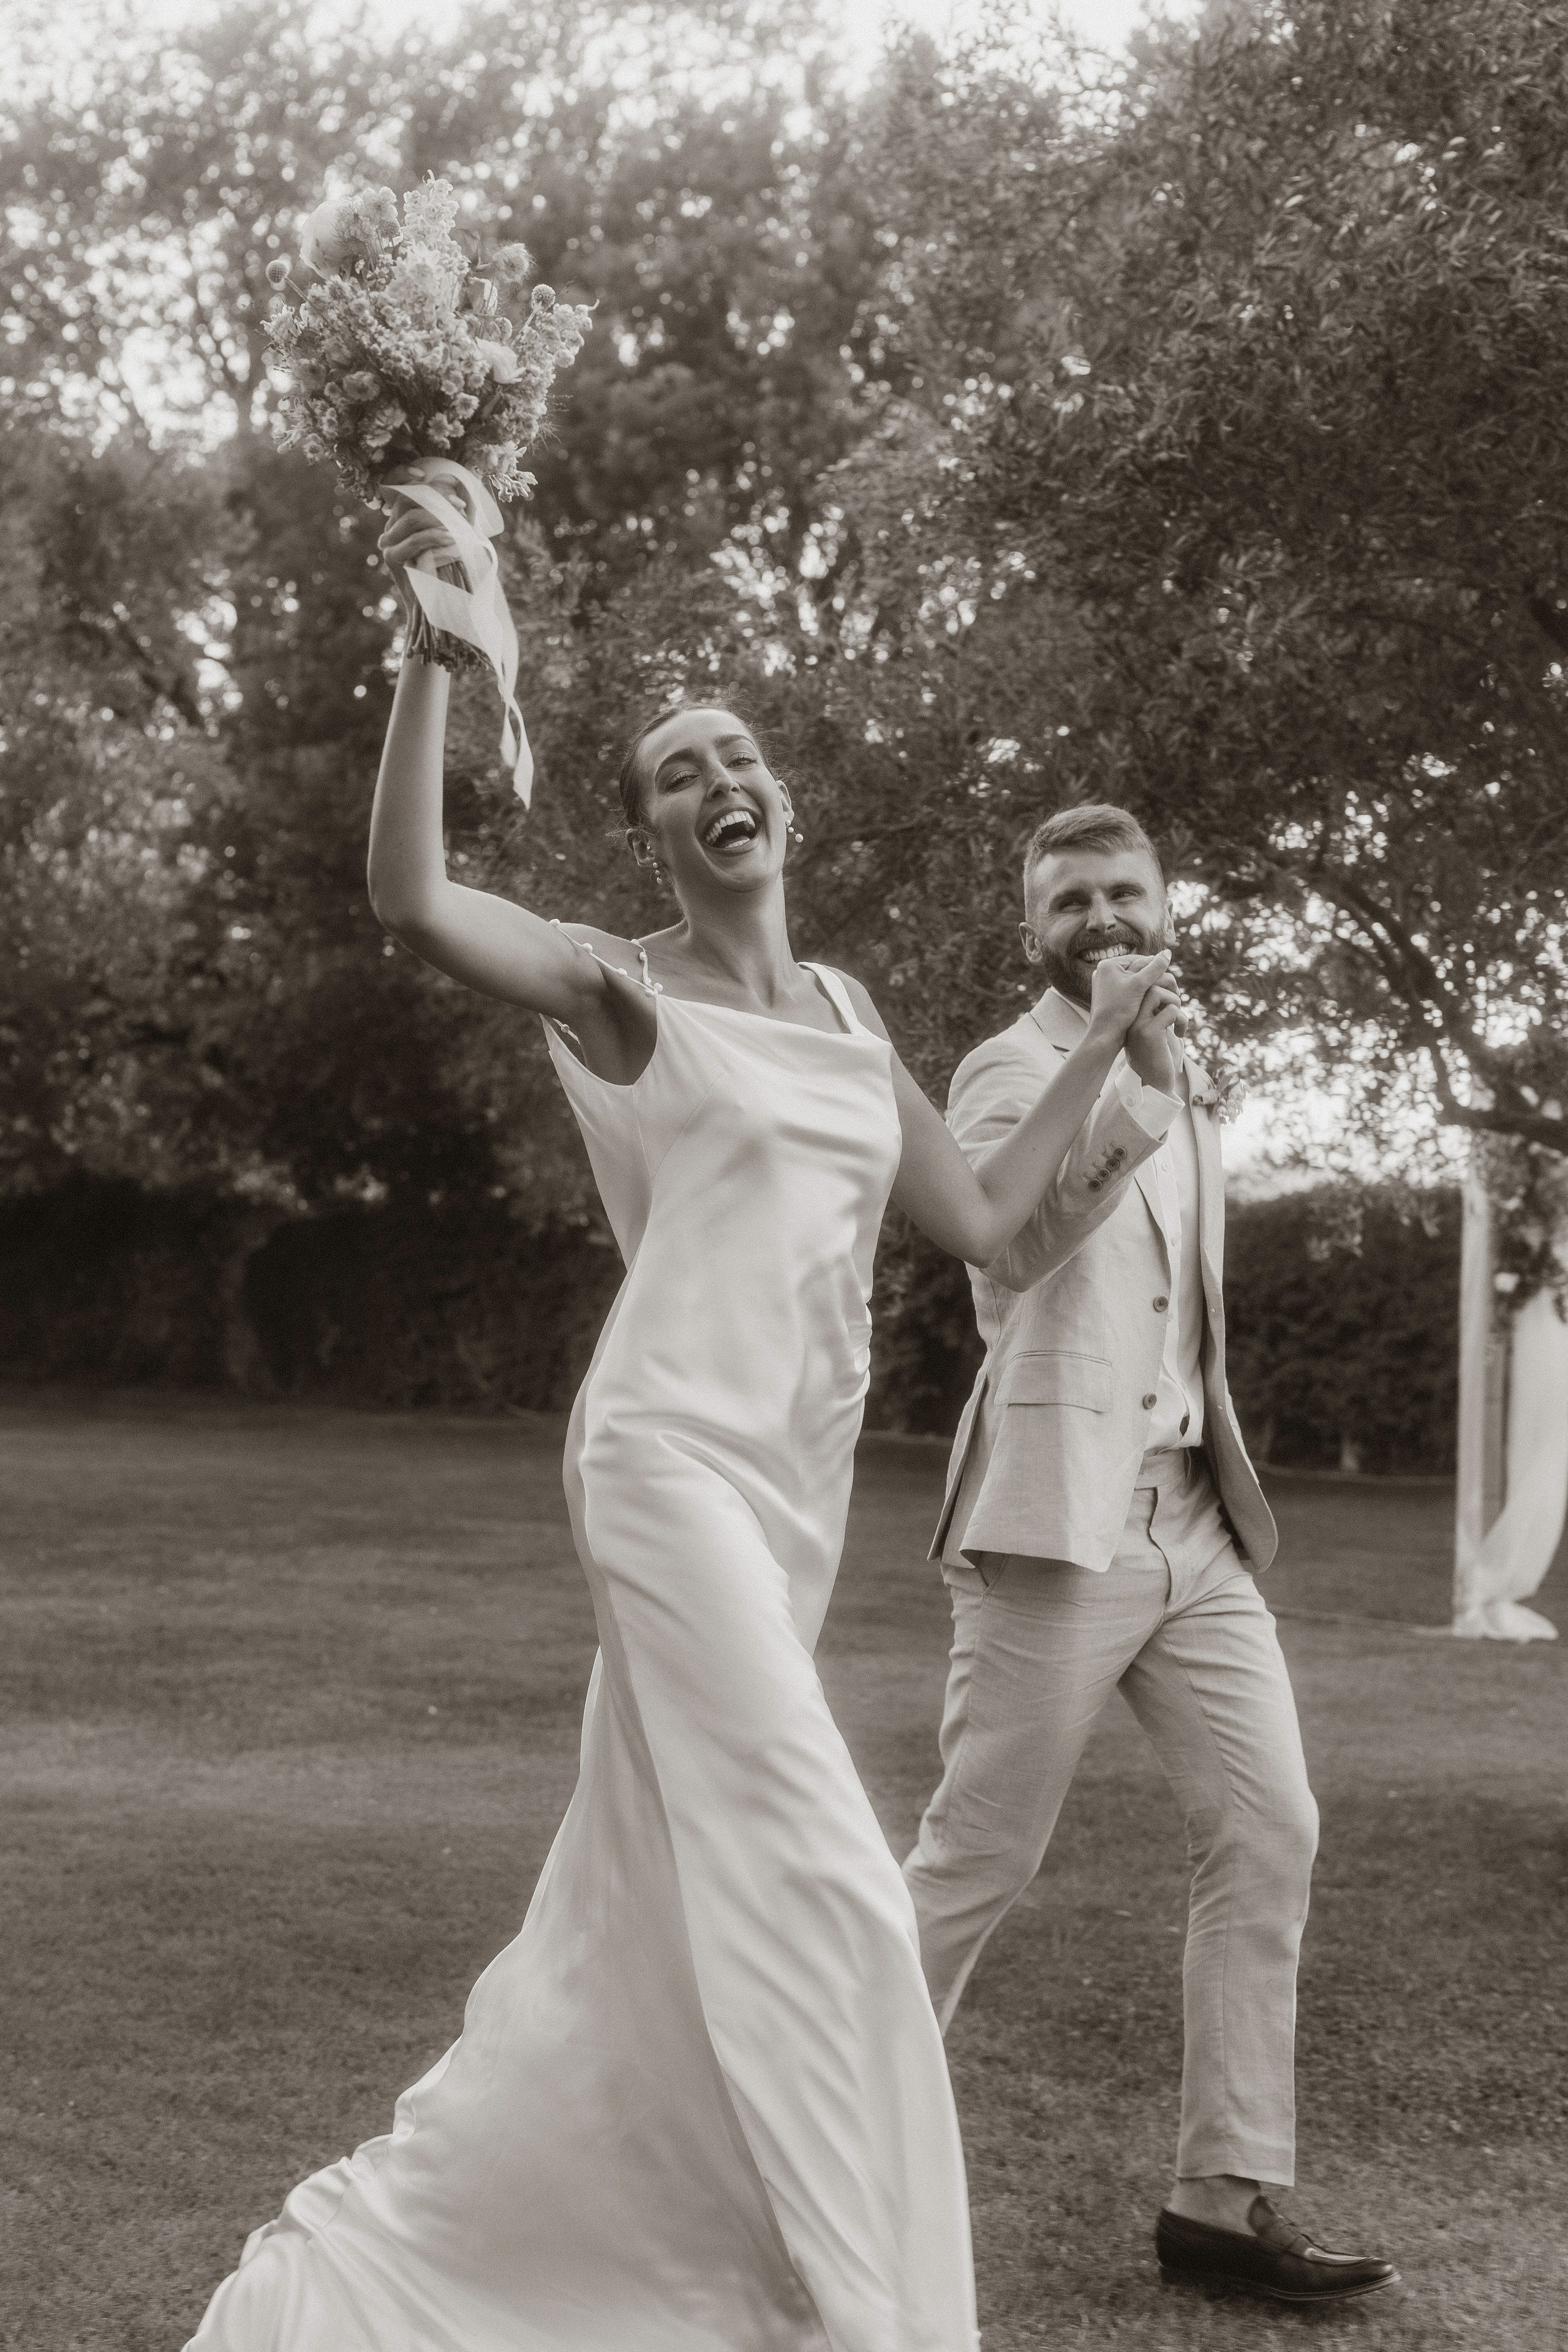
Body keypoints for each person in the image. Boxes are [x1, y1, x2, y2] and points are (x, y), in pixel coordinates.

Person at [181, 508, 1183, 2352]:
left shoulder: (847, 1010)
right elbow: (410, 898)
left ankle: (553, 2257)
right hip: (661, 1459)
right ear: (650, 829)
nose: (719, 779)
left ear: (779, 804)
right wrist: (426, 652)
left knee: (651, 1907)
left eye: (738, 756)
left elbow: (985, 1227)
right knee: (824, 1868)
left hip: (788, 1496)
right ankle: (874, 2310)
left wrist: (1116, 1064)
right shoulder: (620, 981)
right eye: (675, 772)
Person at [902, 802, 1400, 2308]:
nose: (1101, 917)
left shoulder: (1186, 1078)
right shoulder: (1007, 1067)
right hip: (1059, 1528)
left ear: (1164, 908)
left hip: (1192, 1523)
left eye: (1124, 893)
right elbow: (1001, 1243)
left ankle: (1217, 2196)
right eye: (1072, 901)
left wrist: (1163, 1078)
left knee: (1269, 1829)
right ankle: (807, 2148)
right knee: (973, 1863)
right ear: (1033, 926)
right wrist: (1114, 1070)